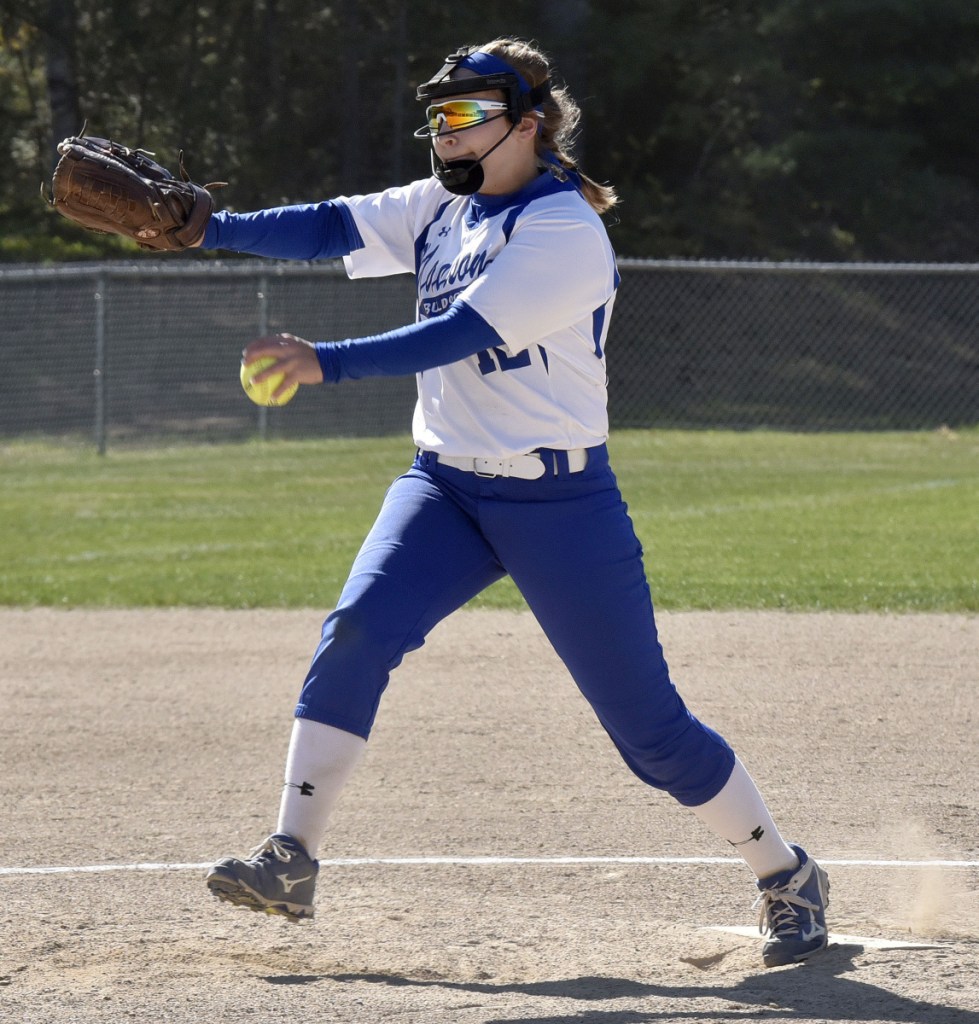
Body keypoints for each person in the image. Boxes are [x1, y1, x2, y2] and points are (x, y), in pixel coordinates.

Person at [201, 37, 830, 969]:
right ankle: (290, 857)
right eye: (437, 116)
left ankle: (784, 874)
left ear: (528, 123)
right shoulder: (437, 208)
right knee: (358, 631)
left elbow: (460, 331)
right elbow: (327, 225)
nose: (444, 132)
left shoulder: (563, 229)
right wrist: (201, 225)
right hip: (445, 484)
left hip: (558, 500)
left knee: (648, 731)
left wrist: (324, 362)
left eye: (466, 114)